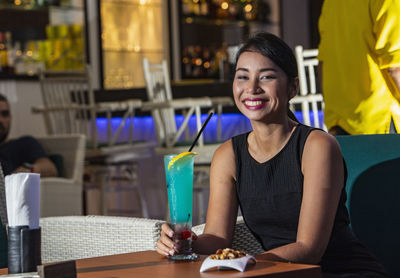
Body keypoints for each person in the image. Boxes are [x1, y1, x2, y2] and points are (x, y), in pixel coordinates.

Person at [156, 33, 388, 277]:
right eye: (243, 77)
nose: (252, 88)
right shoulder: (228, 156)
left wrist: (241, 263)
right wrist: (185, 243)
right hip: (275, 273)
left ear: (292, 88)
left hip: (342, 271)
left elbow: (309, 249)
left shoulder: (317, 146)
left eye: (266, 77)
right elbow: (216, 238)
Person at [318, 0, 400, 135]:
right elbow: (395, 66)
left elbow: (322, 62)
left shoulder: (331, 3)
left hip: (339, 123)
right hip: (381, 122)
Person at [0, 94, 58, 177]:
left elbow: (50, 168)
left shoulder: (24, 144)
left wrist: (24, 171)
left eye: (5, 114)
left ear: (10, 118)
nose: (0, 120)